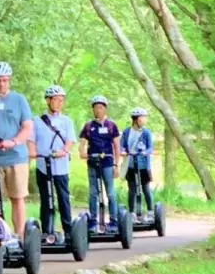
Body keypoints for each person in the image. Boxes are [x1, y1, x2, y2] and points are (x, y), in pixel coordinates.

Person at [0, 61, 33, 238]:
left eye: (5, 80)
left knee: (17, 197)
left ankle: (20, 236)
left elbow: (27, 127)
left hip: (16, 157)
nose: (1, 84)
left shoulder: (19, 100)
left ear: (9, 81)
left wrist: (13, 141)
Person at [31, 85, 75, 241]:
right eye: (56, 99)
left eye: (61, 100)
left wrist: (64, 151)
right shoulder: (37, 121)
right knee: (46, 198)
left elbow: (70, 140)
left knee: (63, 198)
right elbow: (31, 140)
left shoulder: (66, 121)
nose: (59, 103)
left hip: (61, 167)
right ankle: (46, 231)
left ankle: (68, 231)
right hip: (43, 166)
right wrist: (33, 153)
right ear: (48, 101)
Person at [78, 95, 120, 231]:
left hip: (107, 162)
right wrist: (83, 152)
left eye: (101, 107)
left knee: (111, 193)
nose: (98, 110)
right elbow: (82, 144)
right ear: (93, 110)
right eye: (96, 108)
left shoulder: (111, 125)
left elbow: (116, 146)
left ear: (105, 109)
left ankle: (113, 220)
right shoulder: (88, 126)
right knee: (93, 193)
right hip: (93, 162)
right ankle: (92, 221)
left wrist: (116, 165)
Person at [121, 107, 154, 219]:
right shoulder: (126, 132)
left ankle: (150, 211)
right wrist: (123, 151)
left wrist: (145, 152)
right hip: (130, 164)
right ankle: (132, 212)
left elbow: (150, 148)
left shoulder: (146, 132)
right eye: (143, 117)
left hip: (143, 165)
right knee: (132, 189)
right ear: (136, 119)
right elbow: (122, 146)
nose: (144, 120)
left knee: (145, 188)